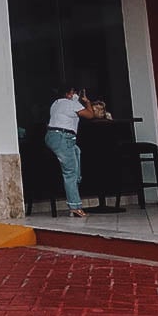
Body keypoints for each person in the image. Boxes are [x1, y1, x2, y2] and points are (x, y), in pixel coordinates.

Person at [44, 86, 98, 218]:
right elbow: (90, 115)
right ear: (69, 94)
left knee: (76, 152)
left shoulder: (56, 103)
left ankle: (76, 182)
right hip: (63, 137)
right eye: (73, 92)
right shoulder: (71, 104)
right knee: (70, 173)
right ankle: (75, 206)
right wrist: (87, 101)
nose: (75, 94)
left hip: (55, 136)